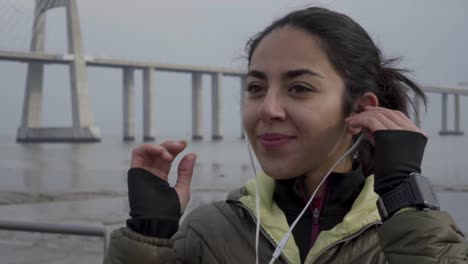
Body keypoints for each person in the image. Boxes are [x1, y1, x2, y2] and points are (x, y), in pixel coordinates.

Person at [104, 7, 468, 264]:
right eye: (256, 87)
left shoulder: (404, 235)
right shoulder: (209, 230)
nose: (268, 109)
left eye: (299, 88)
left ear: (360, 110)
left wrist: (406, 196)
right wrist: (147, 235)